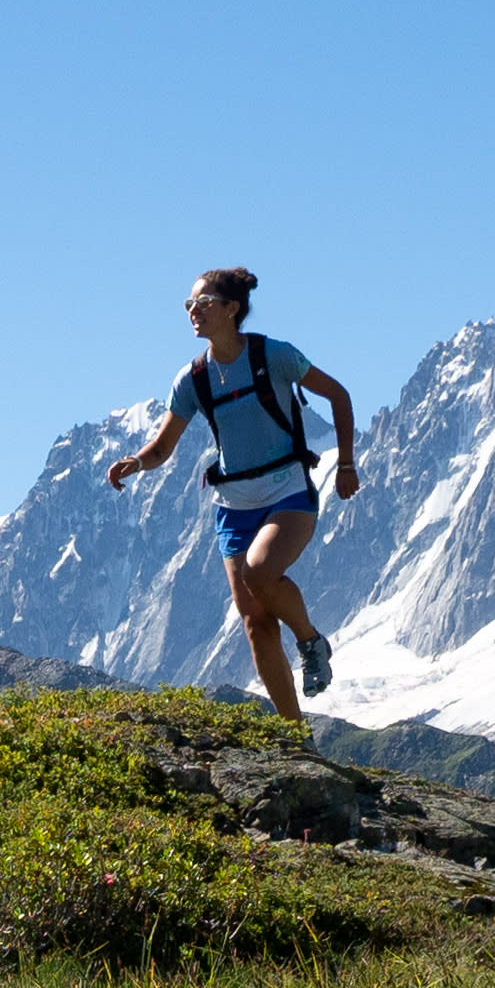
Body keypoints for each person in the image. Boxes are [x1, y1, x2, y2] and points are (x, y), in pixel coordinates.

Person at [106, 267, 360, 737]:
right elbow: (162, 448)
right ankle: (295, 738)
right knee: (255, 623)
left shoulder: (274, 356)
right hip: (233, 507)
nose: (193, 312)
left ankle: (310, 642)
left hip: (287, 493)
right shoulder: (192, 379)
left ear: (232, 309)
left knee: (259, 571)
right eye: (189, 305)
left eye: (203, 303)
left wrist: (346, 465)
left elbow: (339, 396)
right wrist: (136, 463)